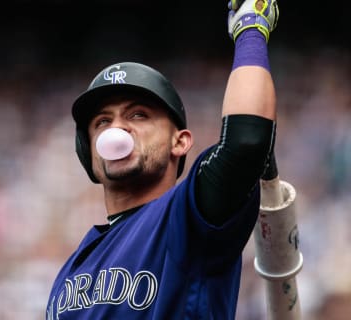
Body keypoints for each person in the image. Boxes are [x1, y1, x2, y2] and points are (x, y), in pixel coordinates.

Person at [46, 0, 279, 318]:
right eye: (102, 121)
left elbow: (246, 142)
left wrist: (250, 29)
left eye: (138, 114)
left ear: (180, 142)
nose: (118, 128)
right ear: (88, 152)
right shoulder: (72, 268)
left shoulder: (187, 216)